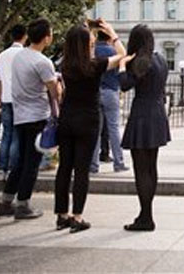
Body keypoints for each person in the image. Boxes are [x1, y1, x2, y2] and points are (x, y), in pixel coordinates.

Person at [54, 22, 125, 233]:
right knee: (81, 170)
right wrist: (112, 35)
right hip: (88, 120)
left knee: (64, 167)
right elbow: (122, 54)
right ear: (86, 44)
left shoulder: (64, 65)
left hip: (67, 119)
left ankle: (61, 214)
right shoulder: (95, 65)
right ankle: (77, 216)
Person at [0, 18, 60, 220]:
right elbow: (55, 91)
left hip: (20, 115)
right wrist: (58, 82)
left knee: (20, 162)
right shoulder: (43, 62)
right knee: (32, 163)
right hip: (37, 116)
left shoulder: (19, 57)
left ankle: (6, 202)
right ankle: (23, 205)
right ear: (46, 37)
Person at [119, 25, 170, 231]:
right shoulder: (160, 59)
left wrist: (122, 65)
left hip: (142, 114)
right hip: (157, 113)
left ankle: (146, 216)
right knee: (151, 167)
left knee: (141, 169)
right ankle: (146, 213)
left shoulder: (141, 60)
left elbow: (124, 84)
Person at [90, 28, 128, 174]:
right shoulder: (113, 52)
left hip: (95, 91)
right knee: (113, 128)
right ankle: (118, 162)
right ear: (109, 38)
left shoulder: (93, 52)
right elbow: (122, 57)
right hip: (111, 91)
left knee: (96, 131)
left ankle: (93, 164)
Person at [0, 24, 26, 182]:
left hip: (6, 98)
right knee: (17, 136)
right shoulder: (24, 54)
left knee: (6, 134)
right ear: (25, 36)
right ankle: (14, 169)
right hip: (21, 100)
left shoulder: (2, 55)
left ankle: (2, 169)